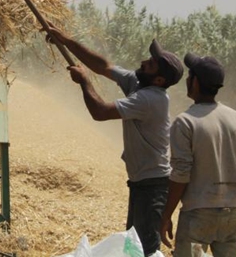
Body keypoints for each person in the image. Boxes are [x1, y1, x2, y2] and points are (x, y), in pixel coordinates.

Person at [44, 23, 184, 257]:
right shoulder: (139, 82)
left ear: (159, 80)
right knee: (133, 247)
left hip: (152, 186)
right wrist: (66, 40)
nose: (144, 62)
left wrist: (84, 82)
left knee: (144, 251)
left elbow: (100, 112)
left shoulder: (150, 99)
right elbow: (103, 66)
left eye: (150, 64)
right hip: (141, 183)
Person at [159, 53, 236, 257]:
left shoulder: (186, 122)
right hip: (232, 214)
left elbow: (181, 174)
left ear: (196, 83)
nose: (187, 80)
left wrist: (166, 215)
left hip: (198, 218)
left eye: (190, 76)